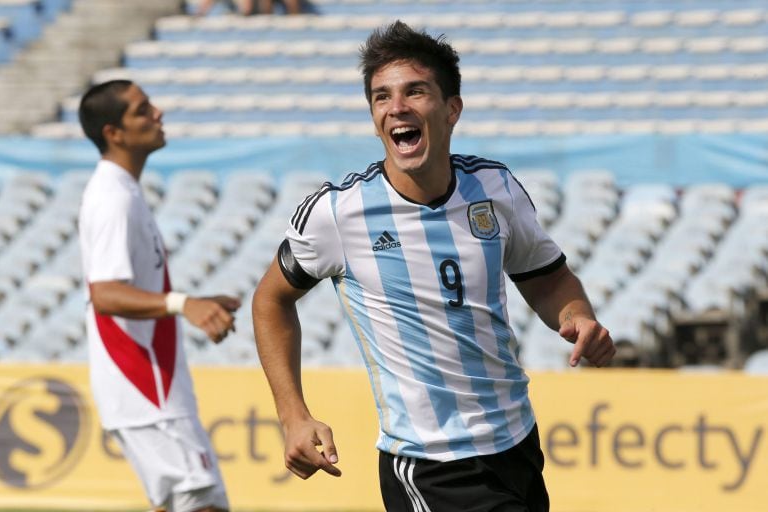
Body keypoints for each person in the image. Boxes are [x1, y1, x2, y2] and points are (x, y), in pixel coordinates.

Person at [252, 21, 615, 512]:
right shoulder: (337, 214)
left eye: (415, 92)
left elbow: (548, 277)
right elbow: (271, 299)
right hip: (430, 464)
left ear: (451, 109)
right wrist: (292, 415)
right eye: (381, 97)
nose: (396, 107)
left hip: (516, 443)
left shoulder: (494, 189)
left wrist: (575, 316)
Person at [78, 79, 240, 512]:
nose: (158, 114)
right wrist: (183, 303)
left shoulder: (124, 190)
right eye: (142, 109)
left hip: (149, 387)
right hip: (142, 384)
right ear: (115, 133)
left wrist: (197, 300)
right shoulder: (112, 197)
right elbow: (106, 294)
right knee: (203, 503)